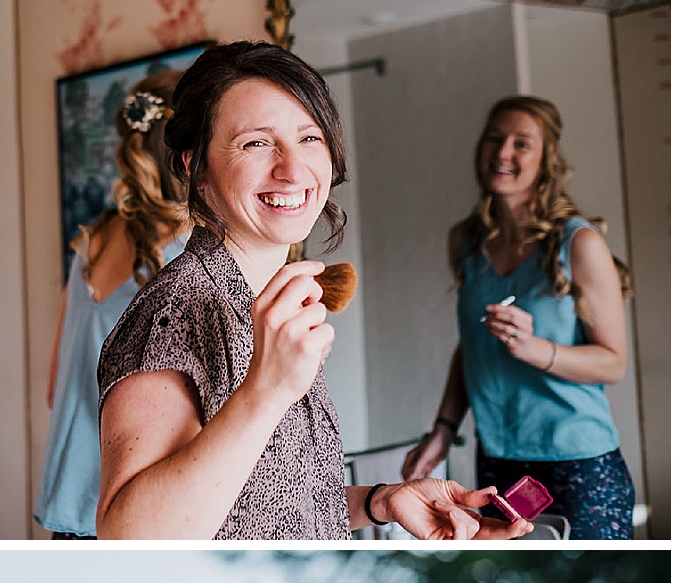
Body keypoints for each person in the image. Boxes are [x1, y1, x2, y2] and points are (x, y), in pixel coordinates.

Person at [93, 42, 532, 542]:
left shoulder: (268, 300)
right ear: (195, 167)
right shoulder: (171, 316)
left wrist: (382, 500)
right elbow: (132, 538)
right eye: (255, 143)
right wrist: (268, 389)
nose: (293, 169)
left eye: (309, 138)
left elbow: (262, 503)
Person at [401, 96, 635, 539]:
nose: (503, 152)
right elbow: (471, 347)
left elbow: (614, 362)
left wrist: (536, 349)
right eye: (495, 138)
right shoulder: (465, 242)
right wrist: (443, 431)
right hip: (497, 463)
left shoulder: (579, 244)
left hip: (580, 464)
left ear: (546, 160)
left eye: (521, 143)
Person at [37, 70, 190, 540]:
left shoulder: (93, 240)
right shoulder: (188, 258)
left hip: (69, 498)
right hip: (131, 504)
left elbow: (52, 392)